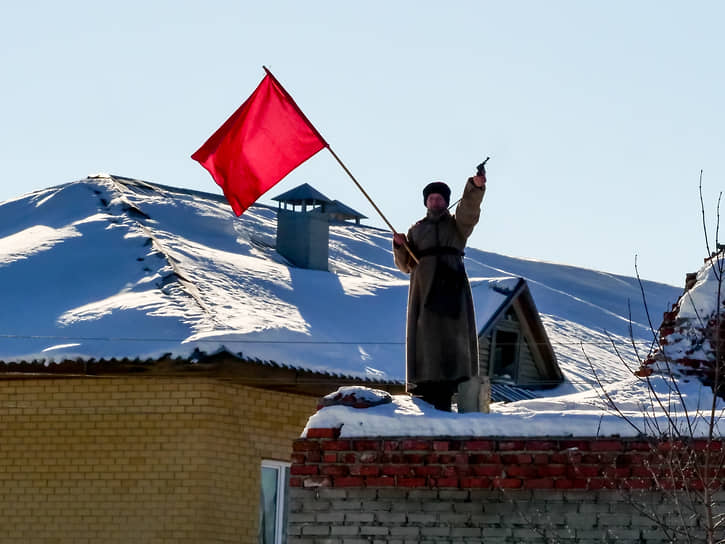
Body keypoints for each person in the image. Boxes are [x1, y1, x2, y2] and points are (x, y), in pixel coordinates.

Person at [393, 171, 486, 411]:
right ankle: (427, 387)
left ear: (446, 202)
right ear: (426, 202)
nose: (435, 202)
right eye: (431, 199)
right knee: (427, 339)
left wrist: (474, 188)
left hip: (452, 289)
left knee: (454, 339)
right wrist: (399, 246)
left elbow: (469, 211)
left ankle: (456, 385)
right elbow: (405, 266)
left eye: (440, 199)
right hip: (424, 294)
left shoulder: (457, 227)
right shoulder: (416, 230)